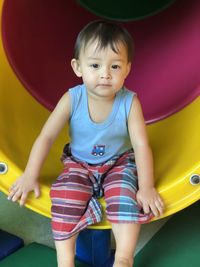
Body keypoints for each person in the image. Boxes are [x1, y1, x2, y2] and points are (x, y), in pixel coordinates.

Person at [8, 20, 164, 267]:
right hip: (79, 164)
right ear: (77, 67)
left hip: (118, 163)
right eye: (95, 65)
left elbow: (141, 146)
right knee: (65, 195)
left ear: (127, 69)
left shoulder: (130, 102)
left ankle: (124, 258)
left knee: (125, 196)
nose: (105, 74)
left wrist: (145, 187)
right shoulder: (72, 98)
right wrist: (30, 174)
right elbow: (46, 136)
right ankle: (65, 260)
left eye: (115, 66)